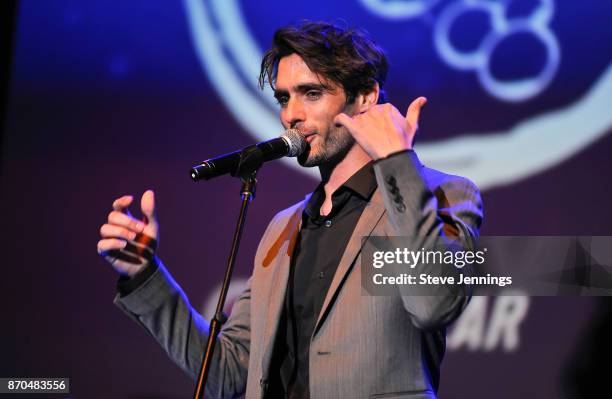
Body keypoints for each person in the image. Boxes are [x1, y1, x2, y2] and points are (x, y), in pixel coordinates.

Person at [97, 21, 483, 399]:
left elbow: (434, 303)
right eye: (284, 97)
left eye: (311, 94)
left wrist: (397, 162)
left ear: (365, 97)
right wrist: (144, 276)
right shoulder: (284, 227)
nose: (289, 115)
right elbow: (227, 374)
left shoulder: (445, 194)